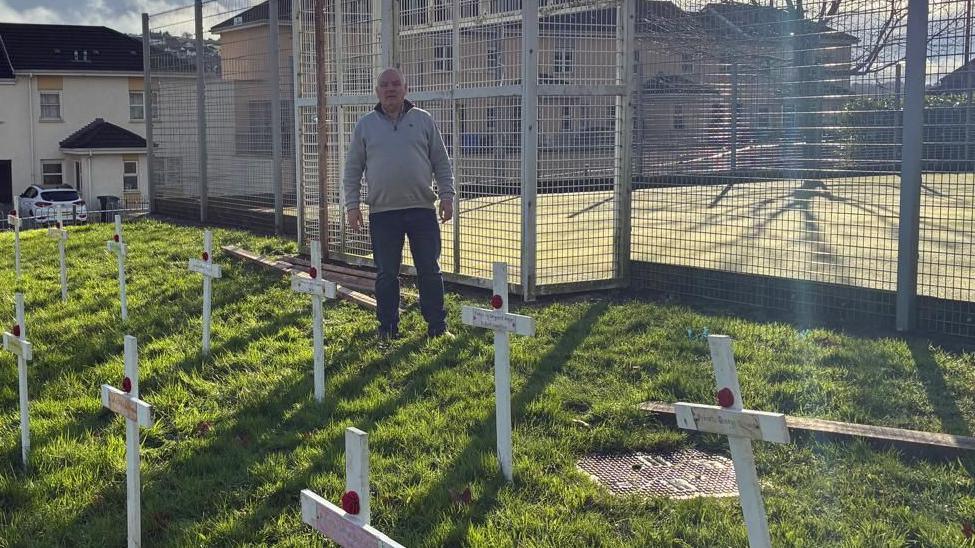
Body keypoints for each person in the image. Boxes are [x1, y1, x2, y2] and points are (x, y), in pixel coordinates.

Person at [343, 68, 455, 341]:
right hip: (383, 213)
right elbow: (352, 168)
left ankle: (437, 327)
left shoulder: (424, 120)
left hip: (421, 210)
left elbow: (440, 161)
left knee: (429, 269)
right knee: (386, 274)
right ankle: (388, 328)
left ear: (406, 88)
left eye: (396, 84)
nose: (390, 89)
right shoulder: (365, 125)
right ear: (377, 91)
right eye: (385, 85)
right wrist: (352, 205)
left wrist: (447, 195)